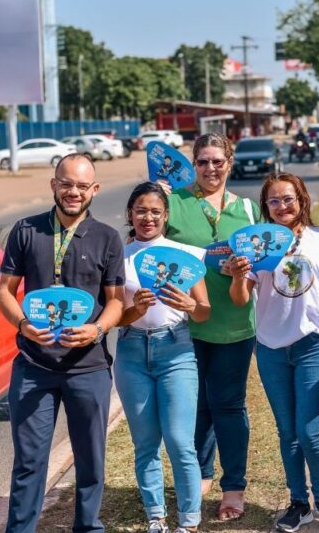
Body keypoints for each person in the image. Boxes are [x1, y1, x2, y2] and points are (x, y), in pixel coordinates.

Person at [0, 154, 125, 533]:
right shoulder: (26, 231)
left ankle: (88, 527)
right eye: (66, 183)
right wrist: (21, 324)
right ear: (53, 184)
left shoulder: (107, 237)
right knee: (29, 461)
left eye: (82, 186)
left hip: (89, 368)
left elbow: (116, 300)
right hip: (34, 367)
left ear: (94, 190)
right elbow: (4, 292)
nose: (73, 192)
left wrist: (97, 330)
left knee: (90, 460)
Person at [227, 173, 319, 533]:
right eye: (273, 201)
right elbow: (240, 301)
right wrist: (239, 276)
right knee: (288, 432)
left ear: (301, 200)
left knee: (309, 430)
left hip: (315, 345)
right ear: (265, 207)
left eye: (288, 199)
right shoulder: (257, 245)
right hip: (270, 349)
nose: (282, 206)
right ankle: (299, 503)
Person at [160, 132, 260, 521]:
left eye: (218, 161)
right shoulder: (173, 202)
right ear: (193, 164)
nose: (211, 168)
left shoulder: (248, 210)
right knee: (196, 404)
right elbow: (148, 243)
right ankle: (201, 474)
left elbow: (260, 267)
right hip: (186, 325)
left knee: (229, 404)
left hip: (236, 325)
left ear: (229, 163)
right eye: (203, 161)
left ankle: (233, 486)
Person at [116, 182, 212, 533]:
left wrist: (190, 305)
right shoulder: (117, 256)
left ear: (166, 215)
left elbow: (203, 312)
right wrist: (133, 310)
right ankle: (156, 517)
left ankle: (189, 522)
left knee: (179, 441)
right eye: (141, 210)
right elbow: (114, 316)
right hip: (130, 351)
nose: (148, 217)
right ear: (130, 214)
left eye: (155, 211)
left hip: (176, 350)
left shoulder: (184, 254)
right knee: (145, 443)